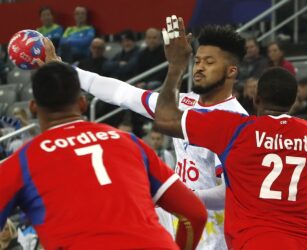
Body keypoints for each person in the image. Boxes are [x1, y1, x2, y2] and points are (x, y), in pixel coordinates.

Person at [40, 22, 248, 250]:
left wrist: (183, 197)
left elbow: (232, 193)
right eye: (197, 61)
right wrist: (65, 70)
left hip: (213, 234)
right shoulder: (183, 103)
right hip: (179, 221)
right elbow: (123, 94)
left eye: (209, 63)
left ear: (231, 71)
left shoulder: (236, 120)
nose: (199, 68)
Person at [154, 16, 307, 250]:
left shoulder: (236, 129)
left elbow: (164, 117)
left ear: (255, 99)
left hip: (256, 241)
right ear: (294, 102)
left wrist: (176, 67)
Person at [0, 60, 207, 250]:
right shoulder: (129, 142)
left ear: (33, 107)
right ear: (82, 103)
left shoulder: (21, 162)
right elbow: (195, 214)